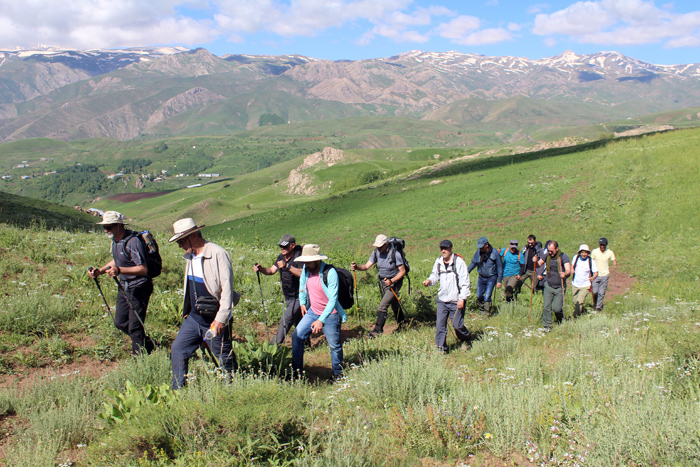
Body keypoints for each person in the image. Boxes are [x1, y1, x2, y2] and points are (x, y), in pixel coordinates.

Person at [169, 218, 240, 390]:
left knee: (222, 356)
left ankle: (233, 390)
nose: (180, 245)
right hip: (194, 317)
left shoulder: (218, 254)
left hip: (215, 318)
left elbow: (227, 289)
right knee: (178, 349)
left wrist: (222, 318)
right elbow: (190, 285)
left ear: (193, 236)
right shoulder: (190, 256)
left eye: (181, 240)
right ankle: (178, 392)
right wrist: (188, 308)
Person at [88, 211, 154, 355]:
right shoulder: (117, 241)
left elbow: (143, 269)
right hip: (125, 286)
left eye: (109, 227)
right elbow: (117, 260)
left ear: (119, 225)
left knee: (135, 326)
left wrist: (120, 270)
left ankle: (139, 361)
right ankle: (147, 343)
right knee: (120, 322)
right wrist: (100, 271)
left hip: (139, 287)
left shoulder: (133, 242)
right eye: (104, 227)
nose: (106, 230)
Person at [292, 244, 347, 380]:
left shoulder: (330, 272)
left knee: (334, 346)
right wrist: (303, 302)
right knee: (296, 336)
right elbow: (302, 284)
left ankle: (338, 375)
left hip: (331, 314)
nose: (306, 265)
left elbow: (333, 299)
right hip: (312, 312)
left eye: (308, 262)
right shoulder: (306, 269)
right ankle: (297, 373)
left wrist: (321, 320)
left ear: (317, 260)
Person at [351, 234, 406, 338]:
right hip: (383, 282)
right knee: (394, 303)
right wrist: (357, 267)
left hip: (395, 282)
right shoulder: (376, 252)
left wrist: (392, 280)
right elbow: (366, 266)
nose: (379, 248)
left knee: (383, 305)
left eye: (381, 246)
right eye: (377, 246)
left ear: (386, 244)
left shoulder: (395, 254)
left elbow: (402, 271)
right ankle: (403, 324)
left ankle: (377, 330)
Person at [253, 234, 303, 344]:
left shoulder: (299, 257)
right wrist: (260, 269)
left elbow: (302, 273)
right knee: (297, 320)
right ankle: (305, 342)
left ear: (293, 245)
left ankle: (273, 346)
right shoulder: (281, 257)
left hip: (299, 296)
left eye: (285, 246)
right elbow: (271, 271)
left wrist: (287, 266)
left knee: (286, 319)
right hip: (288, 295)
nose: (282, 248)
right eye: (281, 246)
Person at [423, 240, 472, 352]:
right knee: (440, 326)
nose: (443, 251)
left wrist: (462, 299)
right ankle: (441, 349)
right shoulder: (438, 262)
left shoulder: (459, 262)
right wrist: (429, 281)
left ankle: (466, 338)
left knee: (457, 325)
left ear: (451, 249)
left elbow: (465, 282)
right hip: (442, 300)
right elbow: (435, 275)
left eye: (445, 248)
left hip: (456, 301)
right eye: (441, 248)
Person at [536, 241, 571, 330]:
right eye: (548, 250)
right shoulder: (546, 255)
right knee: (546, 306)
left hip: (559, 286)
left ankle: (560, 319)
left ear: (557, 249)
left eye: (552, 251)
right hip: (548, 285)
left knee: (557, 308)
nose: (550, 253)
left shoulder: (563, 256)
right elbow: (538, 264)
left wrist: (565, 274)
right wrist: (535, 262)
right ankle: (547, 325)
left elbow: (568, 270)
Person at [467, 237, 503, 315]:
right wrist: (467, 272)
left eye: (482, 246)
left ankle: (487, 312)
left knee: (487, 296)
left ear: (486, 245)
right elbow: (473, 263)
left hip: (492, 278)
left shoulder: (495, 253)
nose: (480, 248)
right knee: (479, 295)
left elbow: (500, 267)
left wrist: (499, 281)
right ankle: (482, 309)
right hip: (481, 277)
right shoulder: (478, 252)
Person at [570, 244, 598, 318]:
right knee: (575, 301)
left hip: (585, 285)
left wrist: (593, 278)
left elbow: (596, 273)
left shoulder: (591, 261)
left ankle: (576, 317)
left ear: (588, 253)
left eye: (585, 252)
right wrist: (572, 270)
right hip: (575, 283)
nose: (584, 254)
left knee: (580, 301)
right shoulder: (575, 258)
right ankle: (583, 311)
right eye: (582, 252)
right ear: (579, 253)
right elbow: (572, 266)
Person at [591, 237, 617, 311]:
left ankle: (598, 308)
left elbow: (613, 260)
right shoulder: (594, 252)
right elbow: (591, 261)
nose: (602, 247)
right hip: (595, 275)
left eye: (603, 245)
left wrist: (614, 264)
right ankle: (595, 303)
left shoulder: (609, 252)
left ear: (606, 245)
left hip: (605, 275)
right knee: (595, 291)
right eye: (601, 245)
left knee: (601, 292)